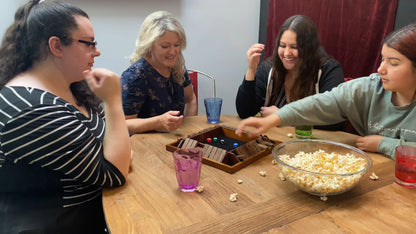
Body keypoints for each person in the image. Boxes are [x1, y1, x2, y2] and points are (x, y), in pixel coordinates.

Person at [0, 0, 131, 233]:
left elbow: (113, 151)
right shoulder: (33, 109)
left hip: (101, 210)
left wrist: (116, 154)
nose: (97, 52)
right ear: (56, 46)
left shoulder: (70, 85)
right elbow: (114, 172)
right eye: (89, 44)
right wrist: (113, 100)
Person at [236, 23, 416, 160]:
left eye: (393, 63)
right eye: (382, 60)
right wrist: (276, 118)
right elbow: (322, 103)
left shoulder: (328, 67)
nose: (380, 69)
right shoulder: (369, 87)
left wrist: (385, 144)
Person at [235, 15, 345, 131]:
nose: (287, 53)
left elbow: (335, 121)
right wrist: (251, 70)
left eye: (294, 47)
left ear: (309, 48)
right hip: (275, 140)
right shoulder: (269, 68)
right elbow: (245, 112)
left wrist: (283, 116)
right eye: (282, 45)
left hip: (314, 145)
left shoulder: (329, 70)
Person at [121, 11, 197, 133]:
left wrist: (190, 131)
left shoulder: (177, 66)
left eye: (177, 45)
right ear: (149, 45)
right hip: (146, 145)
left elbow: (191, 99)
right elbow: (124, 123)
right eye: (165, 46)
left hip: (174, 139)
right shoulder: (136, 76)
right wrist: (159, 122)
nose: (173, 52)